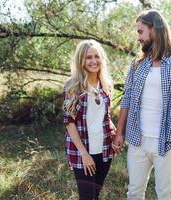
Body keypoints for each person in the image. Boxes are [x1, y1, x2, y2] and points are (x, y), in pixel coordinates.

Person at [113, 10, 171, 200]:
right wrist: (120, 133)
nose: (138, 38)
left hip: (165, 143)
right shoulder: (138, 63)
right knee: (134, 192)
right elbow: (126, 99)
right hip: (137, 141)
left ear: (155, 30)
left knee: (166, 194)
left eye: (140, 31)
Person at [62, 40, 115, 200]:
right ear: (81, 61)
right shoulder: (72, 86)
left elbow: (106, 117)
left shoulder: (105, 85)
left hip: (104, 149)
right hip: (82, 152)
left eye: (96, 56)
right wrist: (84, 154)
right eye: (88, 57)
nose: (93, 61)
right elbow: (69, 123)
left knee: (95, 195)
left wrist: (116, 135)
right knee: (87, 197)